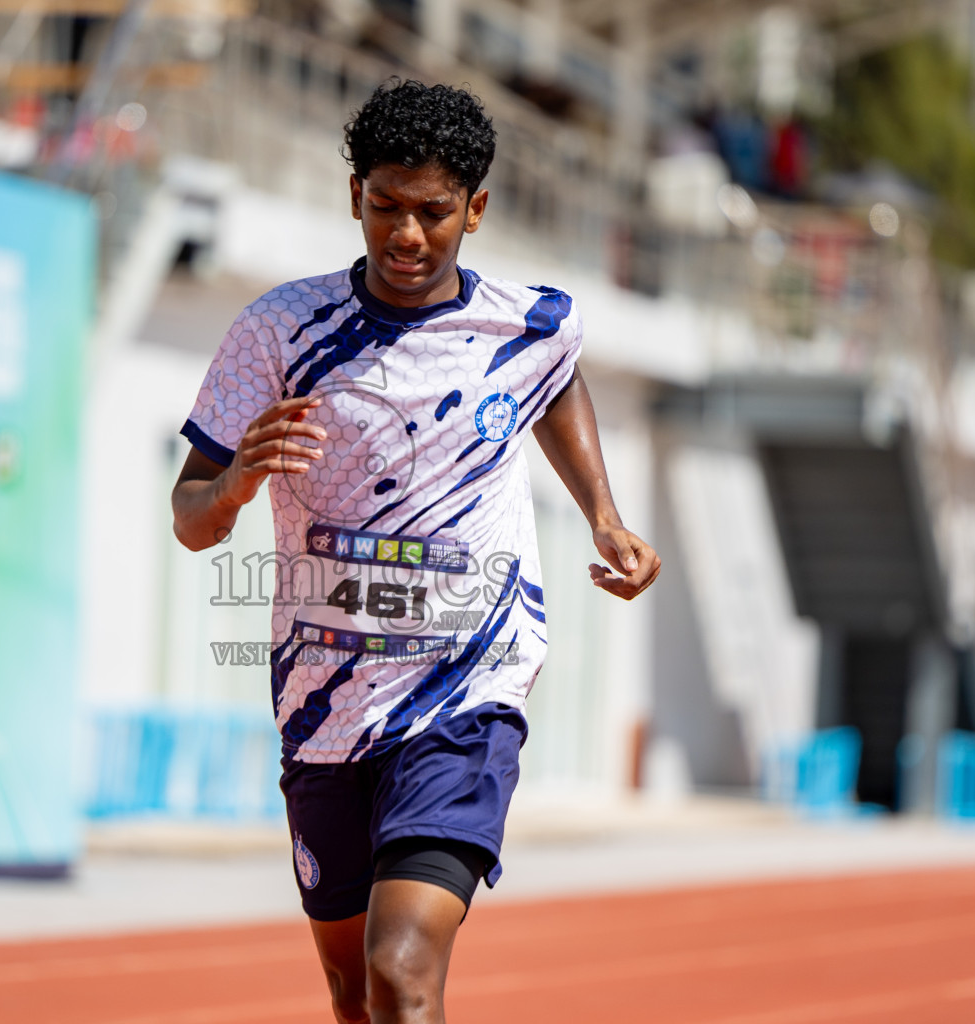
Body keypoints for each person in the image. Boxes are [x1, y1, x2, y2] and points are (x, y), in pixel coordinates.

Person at [170, 79, 661, 1024]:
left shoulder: (527, 323)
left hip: (464, 693)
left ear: (475, 209)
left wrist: (602, 511)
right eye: (386, 205)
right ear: (354, 194)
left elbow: (553, 380)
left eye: (433, 213)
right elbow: (192, 518)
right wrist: (232, 487)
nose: (406, 235)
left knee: (402, 970)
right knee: (355, 990)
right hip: (324, 705)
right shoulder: (279, 332)